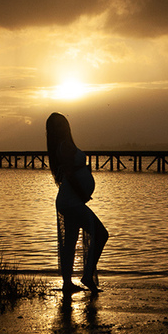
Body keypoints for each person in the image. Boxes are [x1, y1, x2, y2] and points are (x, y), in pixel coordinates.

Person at [46, 112, 109, 294]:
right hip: (72, 201)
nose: (62, 127)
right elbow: (70, 175)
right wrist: (83, 194)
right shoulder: (64, 146)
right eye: (57, 126)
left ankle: (68, 283)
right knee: (101, 234)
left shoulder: (63, 146)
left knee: (70, 242)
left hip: (69, 201)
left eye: (63, 123)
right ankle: (87, 276)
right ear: (53, 131)